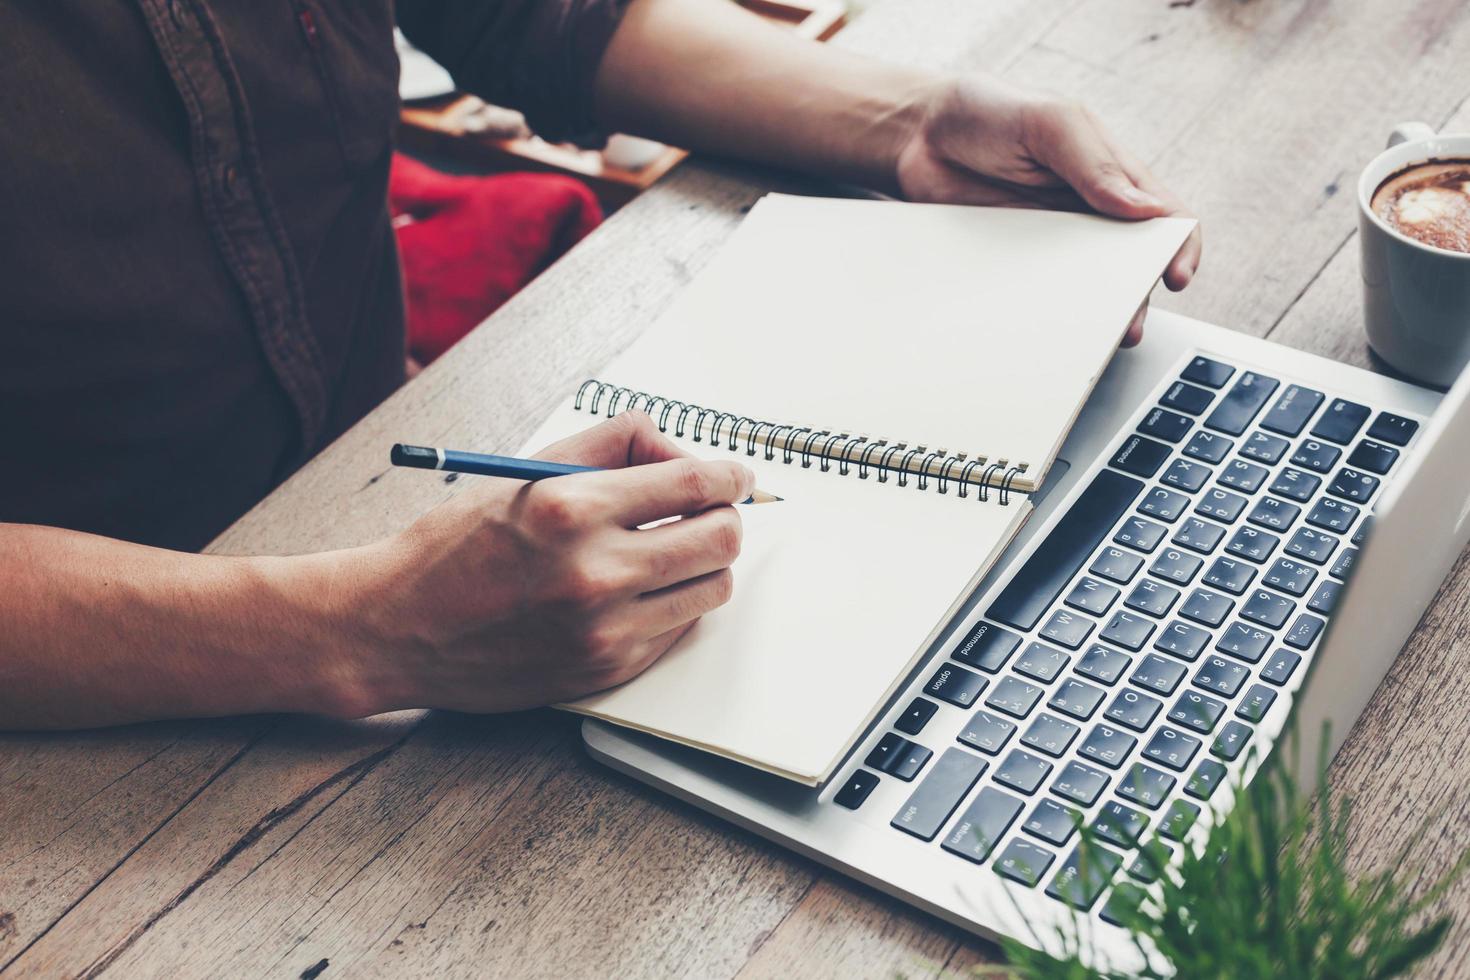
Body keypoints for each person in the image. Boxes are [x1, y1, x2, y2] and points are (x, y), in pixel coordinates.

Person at [0, 0, 1200, 729]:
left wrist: (909, 122)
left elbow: (532, 13)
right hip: (102, 703)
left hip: (400, 492)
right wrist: (367, 628)